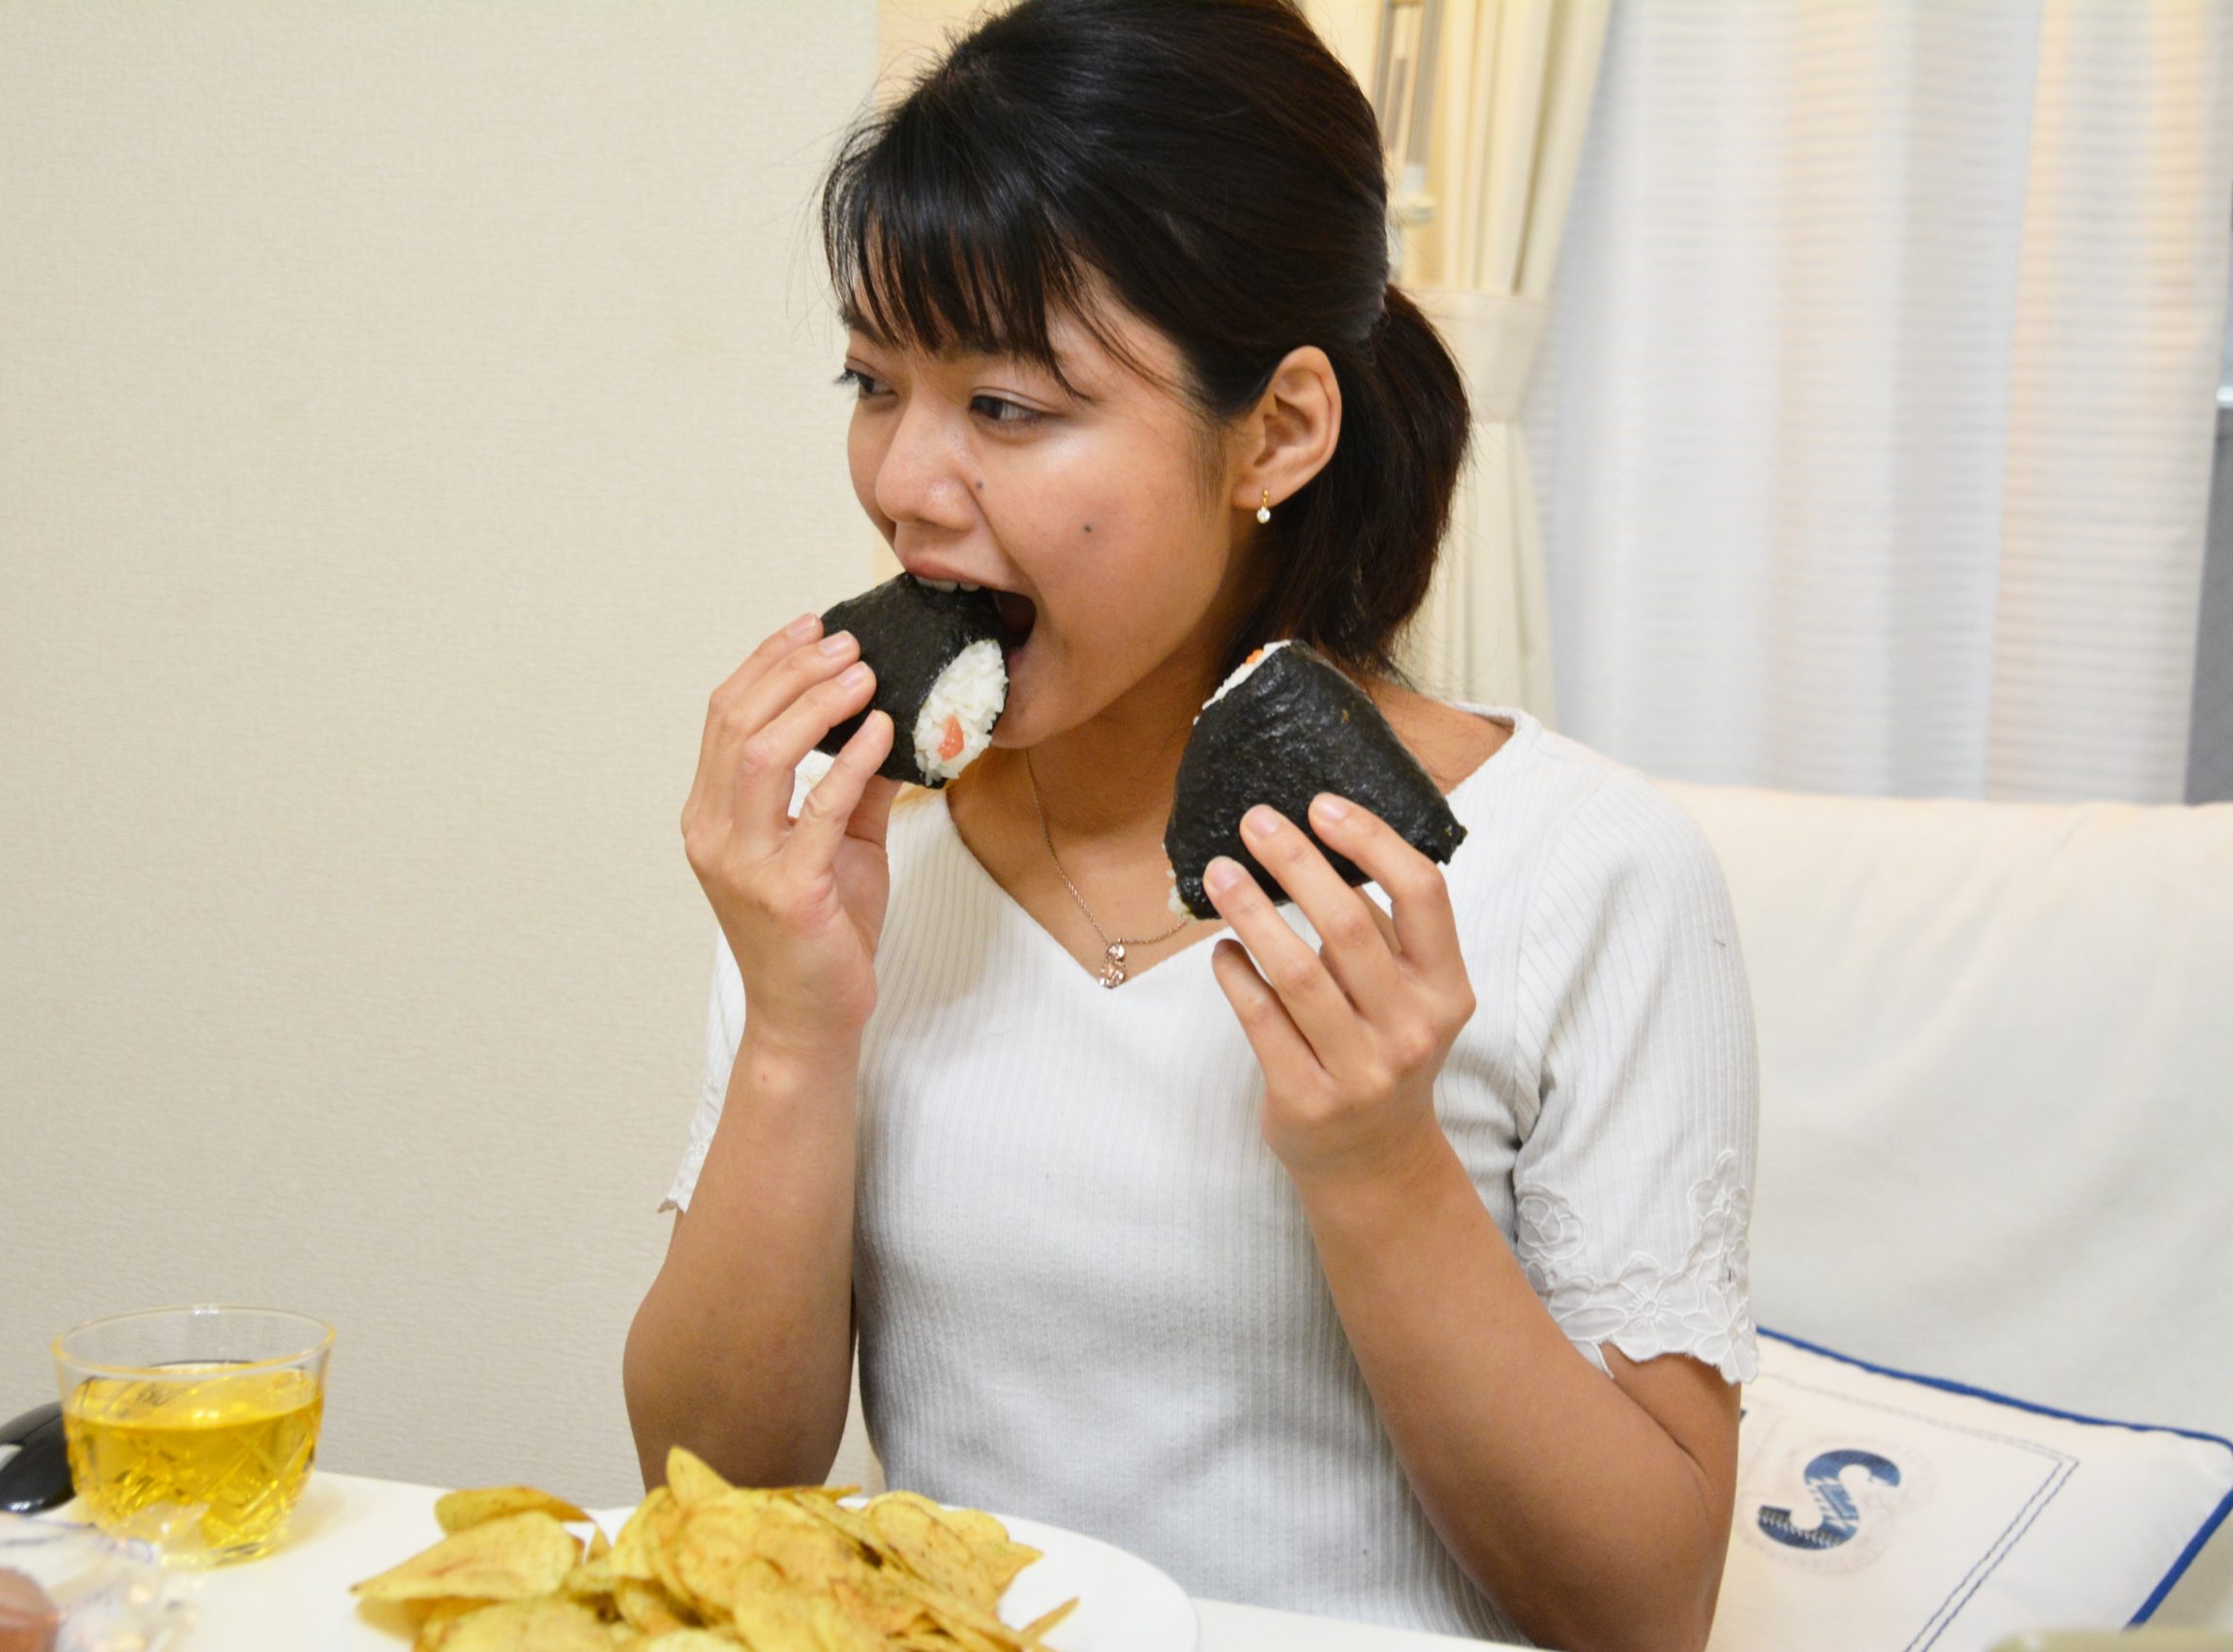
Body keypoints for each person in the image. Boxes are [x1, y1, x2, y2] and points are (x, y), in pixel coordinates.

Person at [623, 1, 1758, 1645]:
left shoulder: (1586, 874)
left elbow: (1646, 1612)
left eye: (1008, 406)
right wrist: (797, 1029)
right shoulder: (854, 872)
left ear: (1280, 429)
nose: (906, 484)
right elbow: (709, 1505)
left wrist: (1378, 1166)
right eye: (876, 382)